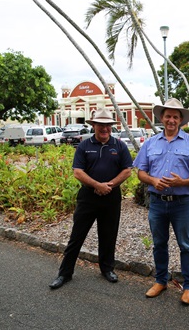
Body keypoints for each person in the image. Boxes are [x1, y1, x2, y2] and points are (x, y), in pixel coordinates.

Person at [133, 98, 189, 305]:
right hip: (157, 202)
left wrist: (183, 181)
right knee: (159, 244)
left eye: (175, 117)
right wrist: (152, 180)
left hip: (182, 203)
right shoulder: (150, 143)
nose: (171, 120)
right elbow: (140, 172)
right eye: (168, 116)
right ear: (162, 118)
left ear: (180, 120)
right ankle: (160, 281)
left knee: (186, 245)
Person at [49, 108, 133, 289]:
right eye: (100, 125)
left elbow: (127, 170)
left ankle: (107, 269)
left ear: (111, 127)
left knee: (108, 236)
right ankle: (65, 273)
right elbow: (78, 172)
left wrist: (109, 185)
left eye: (107, 125)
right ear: (94, 125)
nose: (104, 129)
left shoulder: (119, 146)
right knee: (76, 236)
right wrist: (97, 185)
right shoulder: (84, 146)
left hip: (111, 197)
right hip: (88, 198)